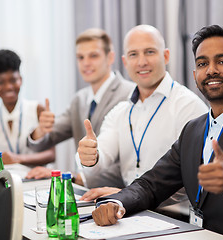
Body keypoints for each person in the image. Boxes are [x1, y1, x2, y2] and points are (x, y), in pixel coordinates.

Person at [89, 25, 223, 240]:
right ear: (196, 75)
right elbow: (152, 184)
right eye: (203, 63)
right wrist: (117, 202)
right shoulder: (193, 130)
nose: (212, 70)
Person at [78, 24, 208, 201]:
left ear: (166, 55)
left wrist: (131, 196)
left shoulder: (189, 107)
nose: (141, 62)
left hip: (176, 217)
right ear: (125, 62)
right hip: (131, 210)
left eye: (149, 52)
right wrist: (90, 156)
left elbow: (194, 179)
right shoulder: (120, 112)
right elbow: (100, 158)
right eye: (133, 54)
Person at [26, 28, 135, 187]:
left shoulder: (131, 94)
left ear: (110, 57)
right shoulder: (80, 99)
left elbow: (131, 162)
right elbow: (42, 143)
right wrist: (41, 130)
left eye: (93, 56)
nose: (86, 63)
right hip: (83, 194)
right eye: (80, 57)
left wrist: (73, 178)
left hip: (116, 196)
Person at [0, 49, 56, 165]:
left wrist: (18, 159)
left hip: (36, 177)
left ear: (20, 80)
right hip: (7, 179)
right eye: (1, 82)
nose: (8, 87)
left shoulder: (36, 109)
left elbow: (51, 154)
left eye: (13, 80)